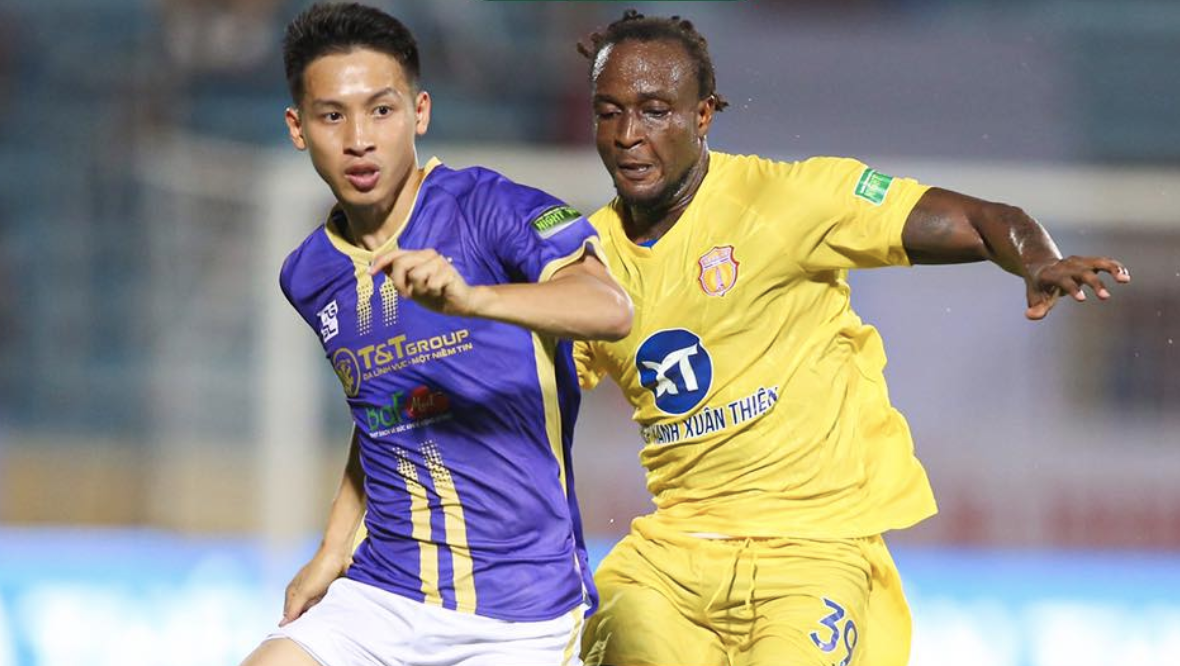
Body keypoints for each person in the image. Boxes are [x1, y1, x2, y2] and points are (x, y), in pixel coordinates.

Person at [571, 10, 1130, 666]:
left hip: (812, 554)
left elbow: (984, 221)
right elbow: (522, 394)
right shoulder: (581, 262)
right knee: (618, 628)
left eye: (655, 111)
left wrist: (1036, 260)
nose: (628, 135)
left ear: (703, 116)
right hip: (670, 557)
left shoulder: (787, 200)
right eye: (609, 112)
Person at [239, 4, 631, 666]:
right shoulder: (308, 274)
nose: (359, 139)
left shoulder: (489, 208)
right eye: (332, 116)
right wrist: (332, 548)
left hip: (524, 610)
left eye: (381, 110)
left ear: (419, 113)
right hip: (383, 593)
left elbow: (610, 307)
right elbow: (385, 410)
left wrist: (473, 300)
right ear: (298, 128)